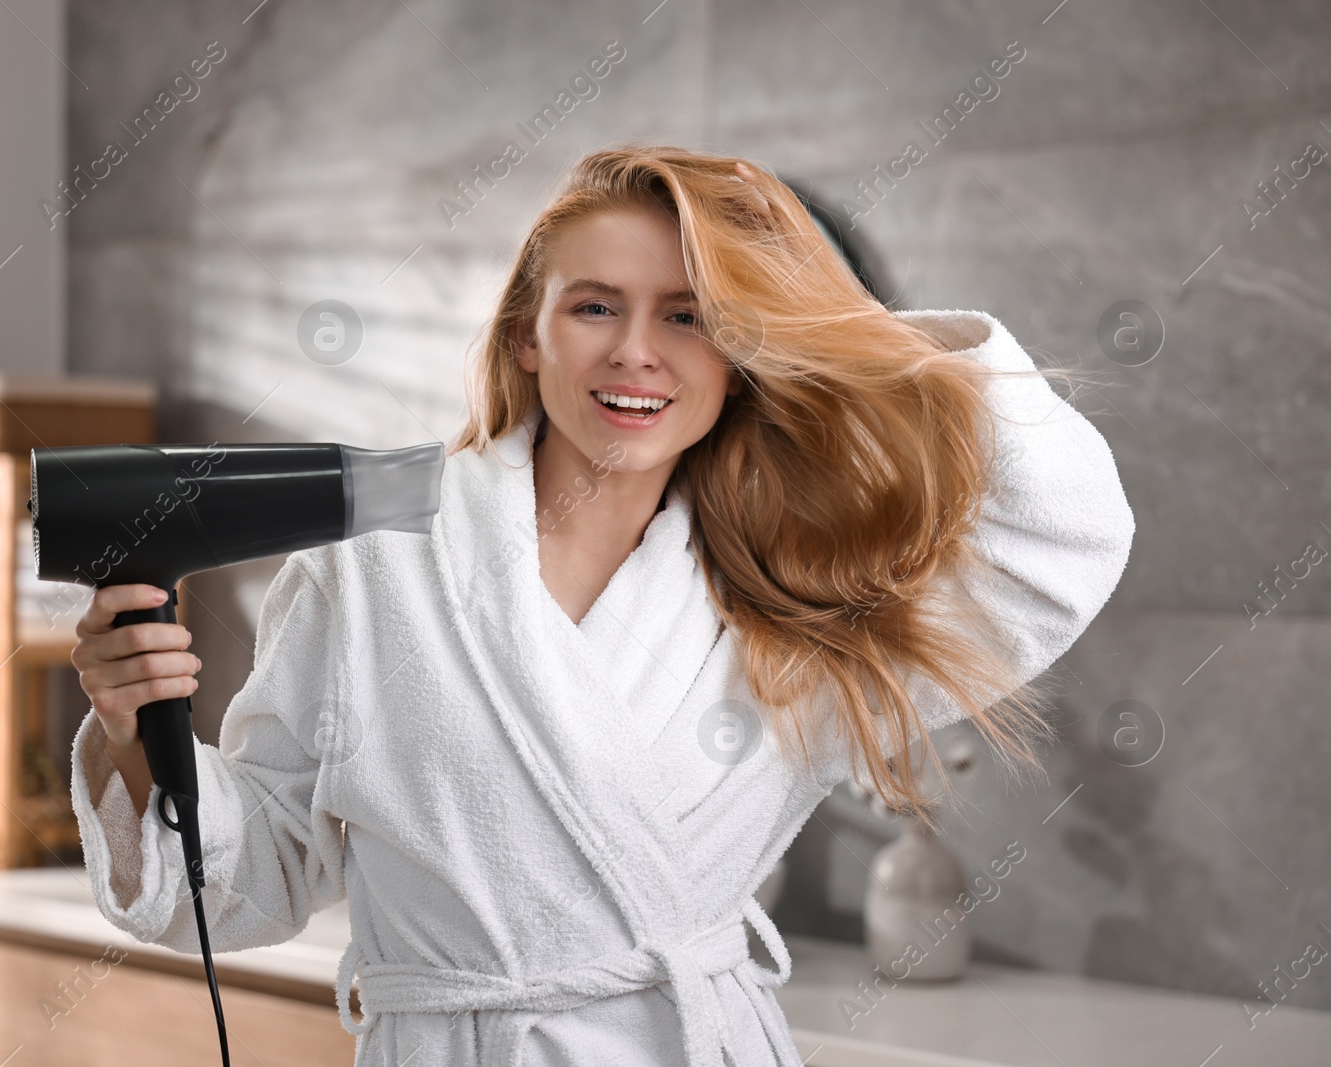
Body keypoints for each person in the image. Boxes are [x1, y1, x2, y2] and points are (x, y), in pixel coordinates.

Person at [68, 144, 1135, 1067]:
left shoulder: (795, 589)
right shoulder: (369, 576)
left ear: (737, 353)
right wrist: (128, 732)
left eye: (688, 316)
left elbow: (1062, 537)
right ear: (530, 334)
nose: (636, 351)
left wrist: (849, 331)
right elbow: (253, 878)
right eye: (594, 306)